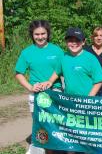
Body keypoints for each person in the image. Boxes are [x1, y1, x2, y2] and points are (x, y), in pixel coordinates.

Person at [15, 20, 64, 154]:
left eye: (43, 33)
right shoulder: (27, 52)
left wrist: (50, 81)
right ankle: (44, 149)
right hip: (36, 95)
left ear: (48, 34)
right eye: (37, 34)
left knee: (55, 124)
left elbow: (61, 69)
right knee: (41, 124)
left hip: (55, 93)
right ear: (32, 35)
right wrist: (30, 87)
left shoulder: (57, 50)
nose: (40, 37)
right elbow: (19, 73)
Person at [44, 27, 102, 97]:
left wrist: (90, 97)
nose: (74, 43)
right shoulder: (63, 57)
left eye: (77, 40)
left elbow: (99, 80)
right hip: (69, 99)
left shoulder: (91, 58)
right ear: (66, 42)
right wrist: (50, 81)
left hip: (86, 99)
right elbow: (57, 72)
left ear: (83, 42)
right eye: (70, 40)